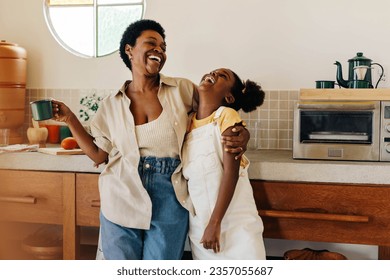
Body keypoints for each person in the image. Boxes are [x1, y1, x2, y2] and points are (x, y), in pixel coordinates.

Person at [51, 19, 249, 260]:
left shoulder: (182, 89)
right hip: (120, 193)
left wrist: (242, 132)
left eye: (163, 47)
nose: (160, 50)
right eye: (151, 43)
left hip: (170, 196)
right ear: (129, 50)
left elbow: (217, 112)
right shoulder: (110, 105)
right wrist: (70, 118)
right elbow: (98, 155)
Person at [182, 68, 266, 260]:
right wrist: (208, 225)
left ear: (229, 97)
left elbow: (231, 173)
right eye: (212, 71)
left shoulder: (226, 116)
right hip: (201, 228)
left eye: (222, 76)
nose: (212, 73)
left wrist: (215, 223)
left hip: (233, 224)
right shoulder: (187, 122)